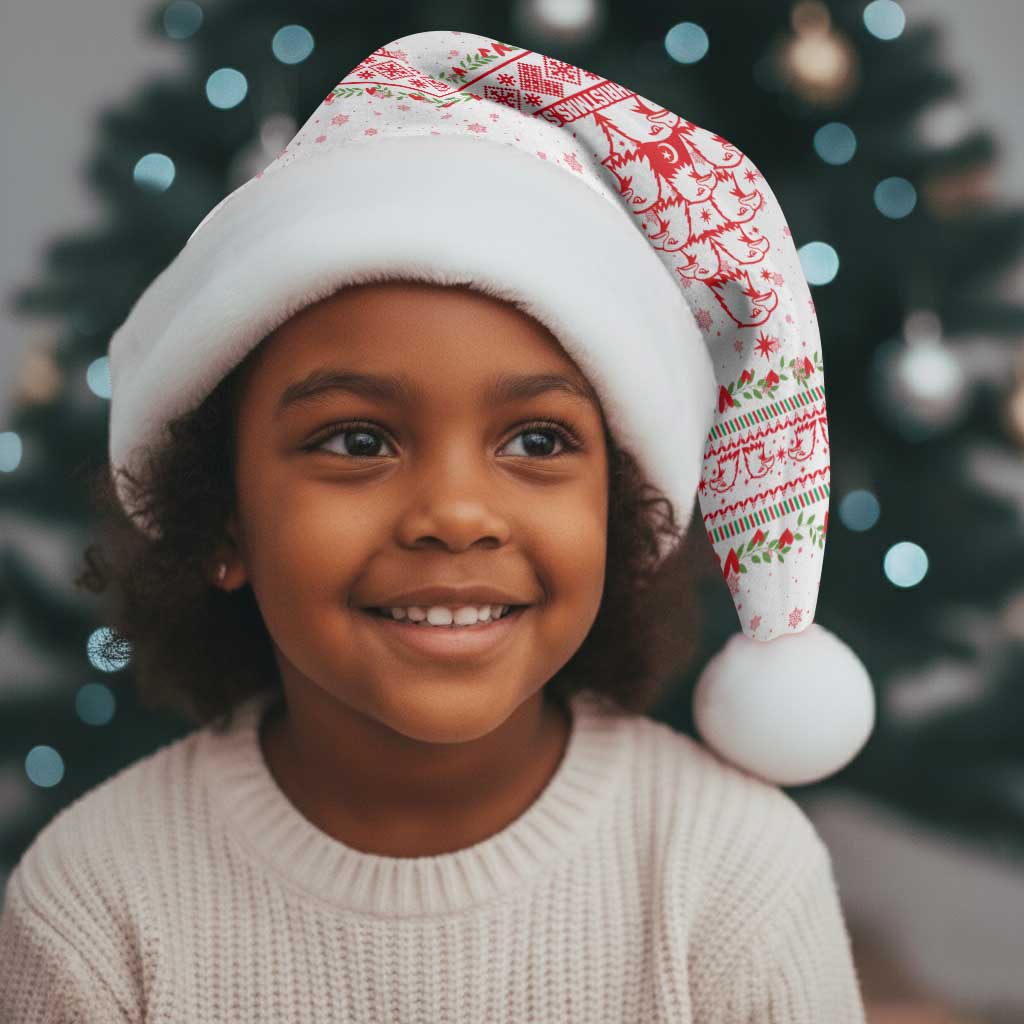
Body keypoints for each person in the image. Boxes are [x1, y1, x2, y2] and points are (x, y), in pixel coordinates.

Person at [0, 28, 872, 1022]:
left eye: (538, 441)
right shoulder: (97, 898)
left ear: (622, 512)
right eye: (358, 441)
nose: (456, 514)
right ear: (219, 518)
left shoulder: (730, 872)